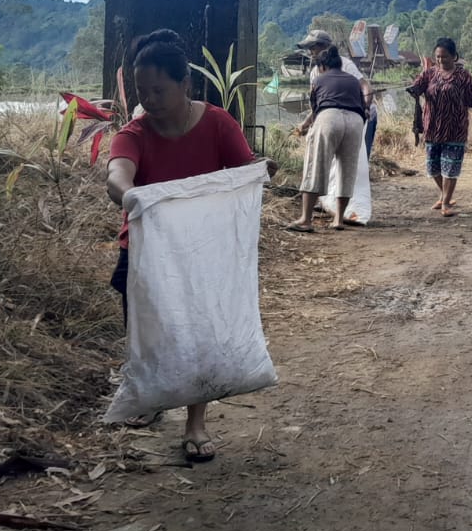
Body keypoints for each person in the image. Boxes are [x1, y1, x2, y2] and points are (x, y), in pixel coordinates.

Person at [106, 28, 257, 464]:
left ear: (185, 85)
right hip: (143, 251)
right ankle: (150, 394)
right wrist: (129, 194)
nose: (149, 100)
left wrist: (256, 175)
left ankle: (195, 423)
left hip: (201, 251)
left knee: (198, 334)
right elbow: (118, 174)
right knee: (146, 330)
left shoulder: (217, 124)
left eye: (159, 90)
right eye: (141, 91)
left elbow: (241, 175)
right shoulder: (134, 133)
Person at [406, 37, 472, 216]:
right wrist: (413, 90)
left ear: (454, 56)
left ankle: (446, 203)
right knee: (433, 168)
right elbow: (418, 87)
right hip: (433, 128)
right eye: (438, 57)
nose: (441, 60)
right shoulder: (429, 74)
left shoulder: (463, 77)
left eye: (445, 57)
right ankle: (444, 194)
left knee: (451, 167)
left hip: (455, 129)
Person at [284, 45, 369, 233]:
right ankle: (338, 219)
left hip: (329, 118)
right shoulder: (353, 80)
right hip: (355, 122)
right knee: (347, 170)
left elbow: (316, 111)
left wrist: (304, 127)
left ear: (322, 66)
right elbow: (363, 105)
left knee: (316, 166)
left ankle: (306, 219)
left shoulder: (319, 79)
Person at [297, 29, 378, 159]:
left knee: (360, 153)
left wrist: (365, 107)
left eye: (313, 48)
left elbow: (365, 87)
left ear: (325, 48)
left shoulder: (346, 65)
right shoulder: (314, 73)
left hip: (357, 111)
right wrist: (306, 123)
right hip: (333, 114)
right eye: (309, 49)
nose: (310, 52)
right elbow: (318, 105)